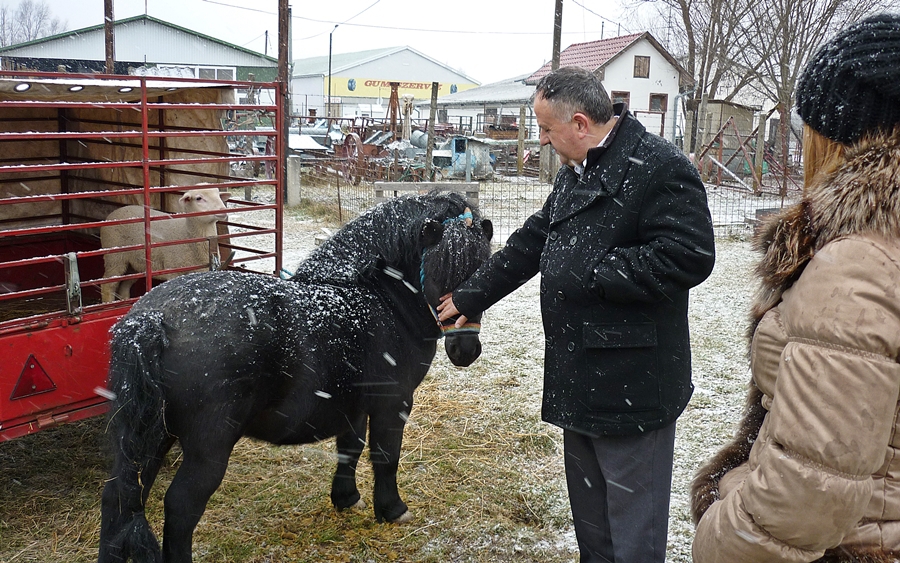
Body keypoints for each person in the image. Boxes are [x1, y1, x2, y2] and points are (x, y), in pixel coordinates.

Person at [437, 66, 716, 562]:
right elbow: (532, 242)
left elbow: (688, 256)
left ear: (581, 123)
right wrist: (472, 295)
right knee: (593, 529)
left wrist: (592, 268)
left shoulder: (658, 167)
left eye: (546, 129)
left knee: (633, 535)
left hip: (632, 382)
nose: (542, 140)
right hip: (580, 374)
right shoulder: (579, 171)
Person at [691, 13, 900, 563]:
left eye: (810, 128)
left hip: (856, 543)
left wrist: (720, 529)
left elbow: (808, 492)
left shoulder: (859, 264)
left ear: (842, 137)